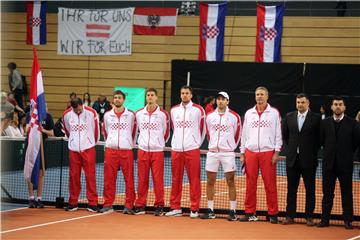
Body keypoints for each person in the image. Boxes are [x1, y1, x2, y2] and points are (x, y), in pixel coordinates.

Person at [239, 86, 282, 224]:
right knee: (250, 184)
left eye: (262, 94)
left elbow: (278, 133)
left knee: (270, 185)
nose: (259, 96)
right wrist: (242, 152)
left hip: (268, 153)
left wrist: (277, 151)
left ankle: (273, 213)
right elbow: (244, 134)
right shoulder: (248, 113)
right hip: (250, 153)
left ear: (267, 96)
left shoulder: (274, 113)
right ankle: (250, 212)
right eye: (257, 94)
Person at [318, 96, 360, 230]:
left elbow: (355, 143)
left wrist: (345, 154)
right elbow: (322, 141)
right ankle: (325, 220)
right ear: (331, 107)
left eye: (340, 104)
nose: (337, 106)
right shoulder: (324, 123)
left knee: (347, 193)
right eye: (335, 104)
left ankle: (348, 221)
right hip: (328, 164)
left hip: (345, 165)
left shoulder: (353, 123)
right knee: (327, 194)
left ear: (344, 107)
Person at [166, 85, 206, 218]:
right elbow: (173, 127)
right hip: (176, 149)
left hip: (192, 149)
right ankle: (175, 207)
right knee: (176, 179)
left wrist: (196, 144)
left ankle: (194, 208)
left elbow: (203, 129)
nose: (184, 95)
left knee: (194, 179)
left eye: (187, 93)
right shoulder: (173, 110)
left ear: (191, 95)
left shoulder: (198, 110)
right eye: (182, 93)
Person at [200, 92, 241, 221]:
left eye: (223, 99)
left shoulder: (235, 117)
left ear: (228, 101)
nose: (220, 101)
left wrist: (229, 146)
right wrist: (213, 145)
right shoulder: (210, 117)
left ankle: (233, 211)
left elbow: (237, 135)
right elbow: (208, 134)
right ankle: (210, 210)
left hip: (227, 153)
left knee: (231, 181)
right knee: (210, 181)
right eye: (218, 99)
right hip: (212, 153)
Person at [282, 94, 321, 226]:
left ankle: (309, 217)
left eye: (303, 102)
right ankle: (289, 216)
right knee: (291, 190)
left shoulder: (316, 118)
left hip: (309, 160)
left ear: (308, 103)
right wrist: (294, 149)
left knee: (310, 190)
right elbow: (285, 136)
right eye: (298, 102)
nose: (300, 104)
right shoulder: (289, 117)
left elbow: (319, 139)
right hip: (293, 160)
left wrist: (309, 151)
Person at [100, 90, 137, 214]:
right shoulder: (107, 115)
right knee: (109, 179)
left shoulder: (131, 115)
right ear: (113, 100)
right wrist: (110, 142)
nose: (117, 99)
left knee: (129, 179)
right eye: (115, 97)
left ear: (123, 100)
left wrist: (128, 144)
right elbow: (105, 132)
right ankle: (108, 204)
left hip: (126, 151)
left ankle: (129, 205)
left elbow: (134, 132)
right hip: (111, 151)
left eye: (119, 98)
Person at [134, 88, 170, 216]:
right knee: (142, 179)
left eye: (152, 95)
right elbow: (135, 129)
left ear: (156, 98)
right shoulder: (138, 113)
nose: (149, 97)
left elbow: (166, 132)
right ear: (146, 98)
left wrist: (159, 143)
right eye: (148, 95)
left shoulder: (163, 114)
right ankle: (140, 205)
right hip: (142, 150)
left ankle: (159, 205)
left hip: (157, 151)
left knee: (158, 180)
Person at [62, 98, 100, 212]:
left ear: (81, 105)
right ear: (72, 107)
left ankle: (92, 203)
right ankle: (73, 202)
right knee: (73, 177)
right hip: (73, 150)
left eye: (79, 109)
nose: (78, 111)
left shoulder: (91, 112)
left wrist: (91, 142)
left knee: (90, 176)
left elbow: (96, 130)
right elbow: (67, 130)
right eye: (75, 110)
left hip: (88, 148)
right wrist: (73, 141)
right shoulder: (66, 115)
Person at [26, 107, 54, 208]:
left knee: (41, 173)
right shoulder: (30, 115)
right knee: (29, 171)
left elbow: (52, 133)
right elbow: (26, 130)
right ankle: (31, 198)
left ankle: (39, 198)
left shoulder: (48, 117)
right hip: (31, 146)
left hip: (42, 147)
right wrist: (33, 128)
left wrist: (43, 130)